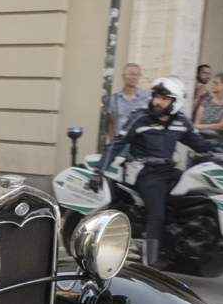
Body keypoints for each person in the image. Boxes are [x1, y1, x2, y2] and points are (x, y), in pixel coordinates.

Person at [91, 77, 216, 267]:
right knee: (157, 215)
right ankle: (150, 264)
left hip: (168, 170)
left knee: (197, 194)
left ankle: (178, 243)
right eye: (156, 96)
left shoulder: (181, 121)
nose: (158, 101)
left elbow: (200, 144)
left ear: (175, 102)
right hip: (144, 172)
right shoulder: (140, 118)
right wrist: (98, 171)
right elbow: (116, 145)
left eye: (164, 98)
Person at [107, 63, 150, 143]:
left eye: (138, 74)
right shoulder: (114, 98)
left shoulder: (147, 97)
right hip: (119, 144)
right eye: (131, 74)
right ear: (123, 76)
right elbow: (111, 123)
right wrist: (112, 143)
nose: (135, 77)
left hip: (139, 145)